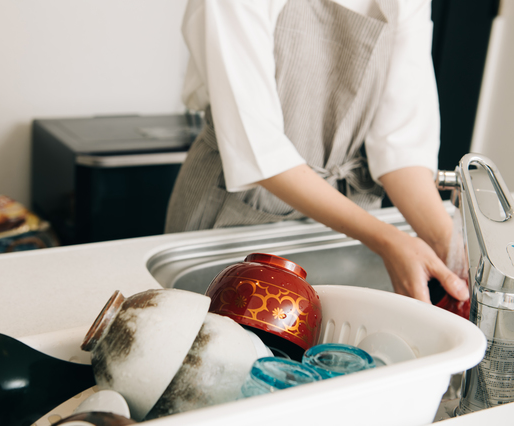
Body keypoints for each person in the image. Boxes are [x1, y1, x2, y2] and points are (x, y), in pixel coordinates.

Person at [165, 0, 469, 304]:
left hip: (351, 226)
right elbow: (258, 146)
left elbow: (400, 145)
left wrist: (451, 247)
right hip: (236, 208)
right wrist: (387, 240)